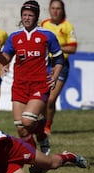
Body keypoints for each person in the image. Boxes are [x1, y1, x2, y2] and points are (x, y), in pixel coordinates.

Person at [0, 1, 64, 155]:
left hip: (39, 84)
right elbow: (5, 60)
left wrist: (55, 76)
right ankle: (36, 158)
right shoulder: (14, 36)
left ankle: (41, 134)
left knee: (27, 121)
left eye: (30, 15)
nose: (26, 18)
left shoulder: (47, 36)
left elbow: (59, 60)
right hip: (19, 85)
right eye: (24, 15)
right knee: (21, 129)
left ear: (36, 17)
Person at [40, 0, 77, 136]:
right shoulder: (44, 24)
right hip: (44, 64)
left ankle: (47, 126)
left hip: (60, 65)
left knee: (50, 99)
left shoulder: (67, 26)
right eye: (53, 8)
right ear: (49, 9)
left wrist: (55, 47)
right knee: (43, 98)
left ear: (62, 10)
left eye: (58, 8)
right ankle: (41, 123)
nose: (55, 11)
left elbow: (73, 48)